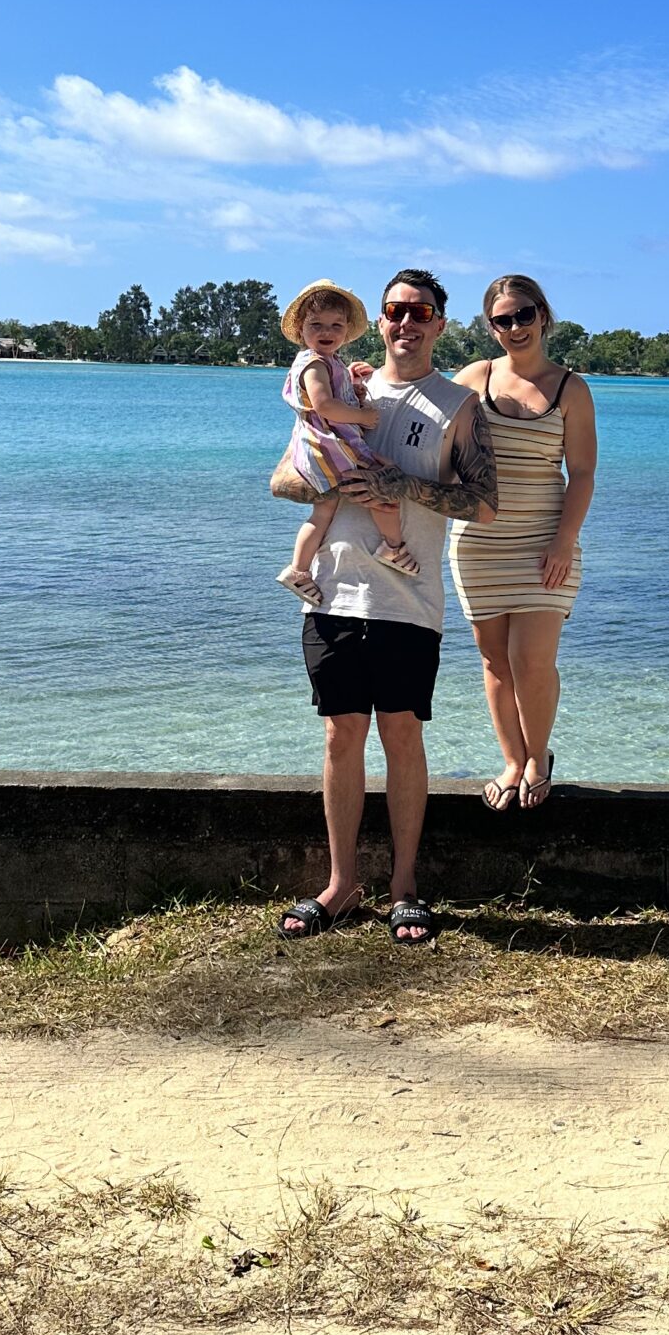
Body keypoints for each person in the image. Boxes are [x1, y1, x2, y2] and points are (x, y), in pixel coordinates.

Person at [273, 268, 498, 948]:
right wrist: (338, 479)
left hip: (410, 600)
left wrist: (405, 485)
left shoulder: (457, 405)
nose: (406, 321)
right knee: (342, 736)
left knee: (401, 735)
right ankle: (341, 887)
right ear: (382, 319)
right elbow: (285, 478)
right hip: (333, 591)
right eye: (395, 309)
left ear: (439, 323)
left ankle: (404, 888)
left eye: (419, 311)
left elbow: (484, 504)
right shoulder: (343, 384)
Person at [449, 273, 596, 814]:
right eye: (503, 320)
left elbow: (581, 473)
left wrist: (564, 541)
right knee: (494, 663)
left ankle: (539, 757)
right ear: (491, 327)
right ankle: (511, 760)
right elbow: (416, 415)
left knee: (533, 661)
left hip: (545, 542)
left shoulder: (570, 388)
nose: (515, 327)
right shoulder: (474, 378)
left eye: (524, 315)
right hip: (478, 544)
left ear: (543, 315)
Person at [274, 279, 418, 602]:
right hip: (328, 447)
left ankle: (299, 570)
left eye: (336, 325)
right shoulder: (312, 364)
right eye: (317, 325)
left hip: (322, 447)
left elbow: (336, 392)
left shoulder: (328, 362)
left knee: (322, 513)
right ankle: (393, 548)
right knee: (383, 489)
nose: (327, 331)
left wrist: (352, 378)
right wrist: (364, 417)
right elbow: (325, 405)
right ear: (301, 328)